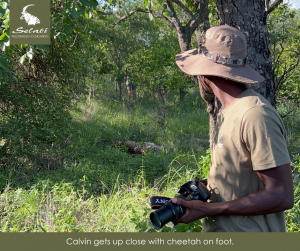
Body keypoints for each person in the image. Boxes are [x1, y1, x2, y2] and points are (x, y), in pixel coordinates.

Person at [173, 25, 294, 232]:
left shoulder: (255, 114)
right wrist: (195, 197)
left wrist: (209, 210)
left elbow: (281, 195)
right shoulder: (229, 110)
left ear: (204, 74)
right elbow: (240, 179)